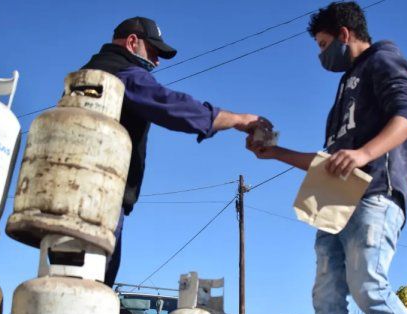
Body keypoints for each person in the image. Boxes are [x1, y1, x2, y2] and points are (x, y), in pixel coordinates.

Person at [246, 2, 407, 314]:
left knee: (368, 283)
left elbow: (405, 117)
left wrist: (362, 154)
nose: (321, 56)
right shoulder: (343, 90)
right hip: (336, 204)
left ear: (343, 34)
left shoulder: (385, 60)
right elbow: (328, 162)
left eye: (322, 45)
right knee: (325, 293)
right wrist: (276, 153)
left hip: (375, 194)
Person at [80, 17, 270, 286]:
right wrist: (238, 120)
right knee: (90, 290)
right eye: (154, 53)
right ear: (133, 42)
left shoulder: (88, 74)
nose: (156, 63)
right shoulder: (122, 74)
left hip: (74, 193)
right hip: (100, 200)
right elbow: (172, 106)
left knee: (72, 284)